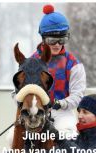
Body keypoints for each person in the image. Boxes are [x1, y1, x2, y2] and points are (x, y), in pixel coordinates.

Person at [32, 4, 86, 138]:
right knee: (12, 138)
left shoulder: (74, 65)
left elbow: (77, 96)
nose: (57, 45)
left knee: (69, 136)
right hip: (34, 112)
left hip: (62, 113)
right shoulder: (31, 63)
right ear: (43, 38)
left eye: (62, 39)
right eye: (52, 40)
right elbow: (17, 92)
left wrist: (61, 103)